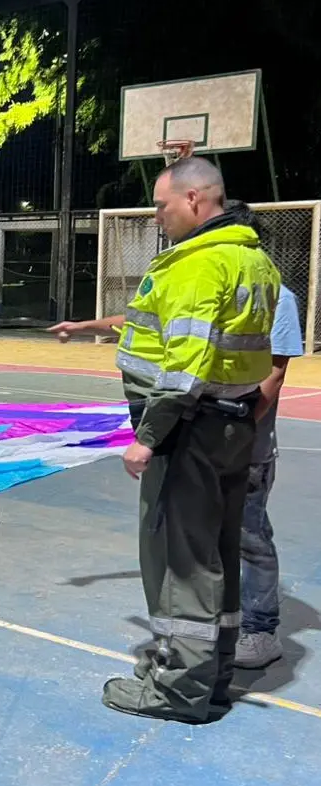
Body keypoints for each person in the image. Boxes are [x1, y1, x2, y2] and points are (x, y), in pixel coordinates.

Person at [49, 157, 280, 723]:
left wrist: (149, 436)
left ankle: (179, 689)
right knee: (217, 555)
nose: (157, 216)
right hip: (233, 426)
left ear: (196, 200)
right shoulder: (254, 262)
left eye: (162, 204)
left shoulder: (198, 267)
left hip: (188, 432)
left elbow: (187, 364)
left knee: (180, 564)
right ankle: (211, 671)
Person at [225, 204, 304, 669]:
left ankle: (261, 629)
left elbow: (273, 377)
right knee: (214, 536)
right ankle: (226, 618)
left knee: (250, 535)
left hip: (246, 444)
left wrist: (239, 430)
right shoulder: (218, 292)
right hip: (209, 442)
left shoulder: (279, 297)